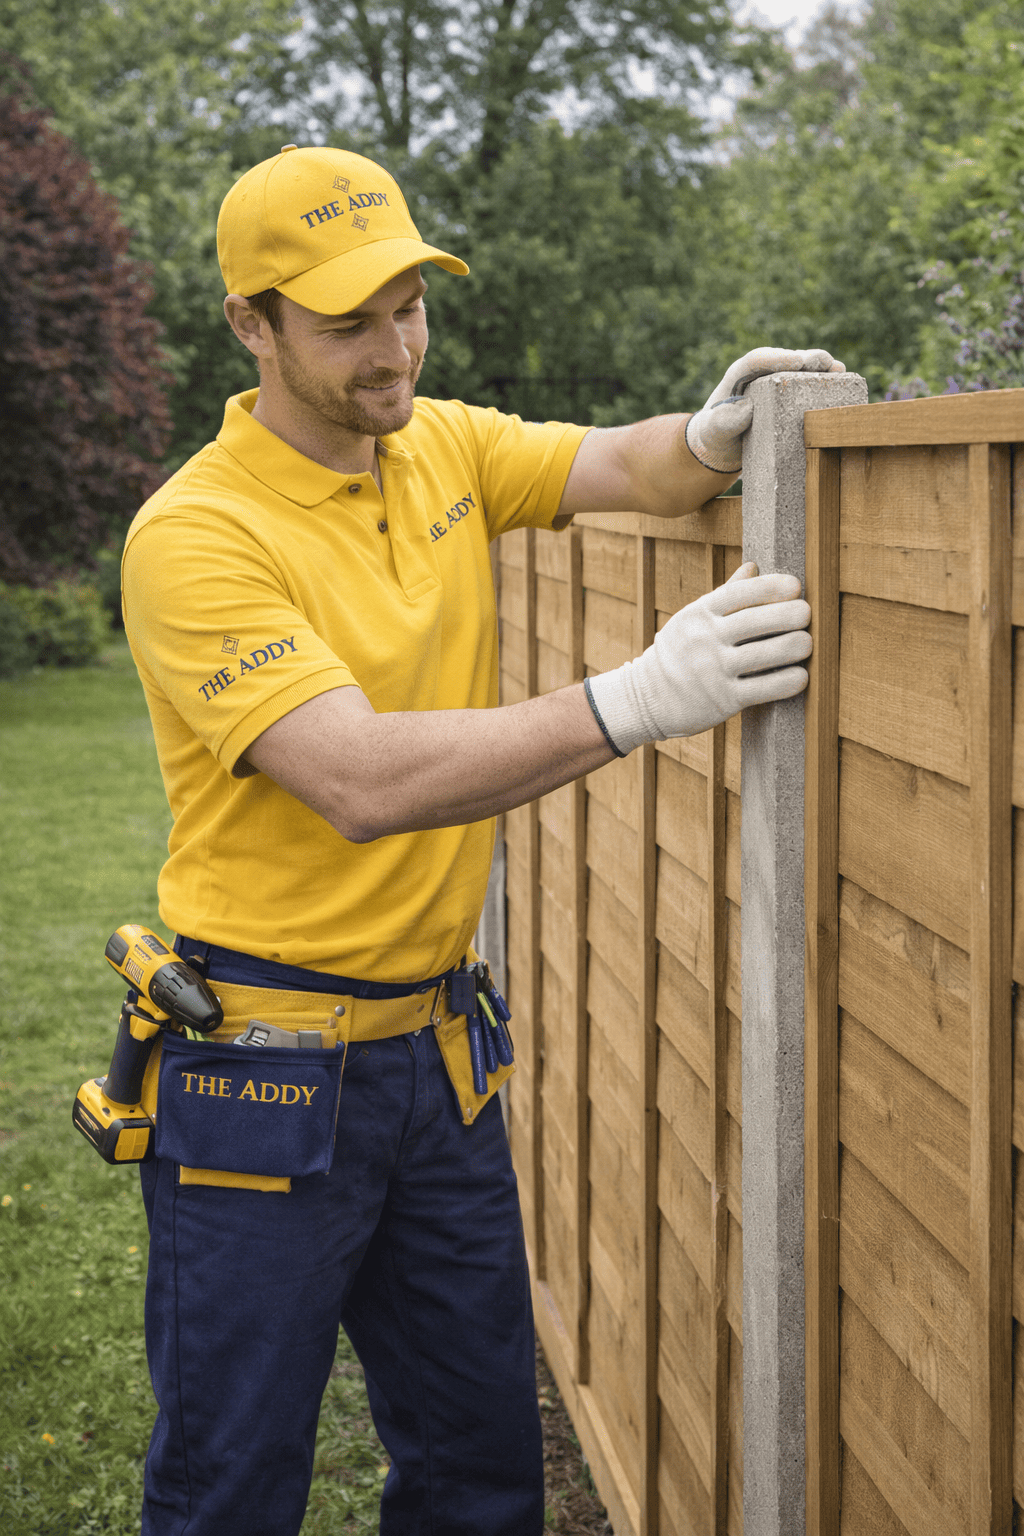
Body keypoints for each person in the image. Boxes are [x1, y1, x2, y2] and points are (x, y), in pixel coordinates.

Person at [121, 142, 839, 1536]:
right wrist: (638, 700)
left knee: (480, 1477)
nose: (395, 351)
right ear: (251, 324)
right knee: (229, 1490)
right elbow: (355, 777)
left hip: (437, 1062)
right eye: (349, 323)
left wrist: (712, 437)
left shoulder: (439, 445)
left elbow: (620, 463)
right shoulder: (197, 535)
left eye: (410, 308)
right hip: (262, 1073)